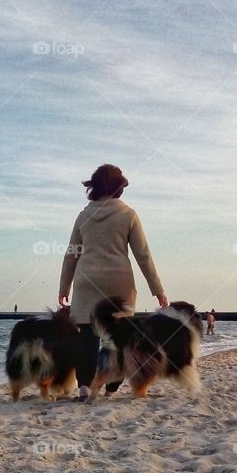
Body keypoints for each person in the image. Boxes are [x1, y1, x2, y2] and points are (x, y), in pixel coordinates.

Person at [59, 164, 167, 400]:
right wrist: (157, 290)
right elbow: (143, 255)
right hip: (119, 283)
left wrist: (63, 287)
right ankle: (111, 387)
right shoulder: (128, 214)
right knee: (120, 338)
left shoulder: (83, 216)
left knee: (86, 337)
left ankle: (85, 387)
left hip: (86, 281)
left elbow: (71, 254)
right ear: (119, 188)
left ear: (95, 187)